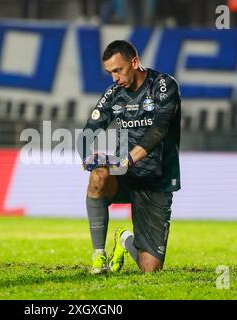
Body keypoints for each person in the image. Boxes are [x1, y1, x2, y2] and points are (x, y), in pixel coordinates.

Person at [77, 40, 181, 274]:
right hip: (126, 176)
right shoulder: (114, 94)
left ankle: (124, 241)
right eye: (109, 72)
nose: (114, 78)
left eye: (118, 70)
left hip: (157, 180)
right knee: (98, 175)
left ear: (134, 62)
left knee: (150, 270)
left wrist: (126, 160)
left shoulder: (163, 85)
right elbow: (86, 135)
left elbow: (159, 130)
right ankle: (98, 256)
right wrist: (88, 157)